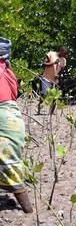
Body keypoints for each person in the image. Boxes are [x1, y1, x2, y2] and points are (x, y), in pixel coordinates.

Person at [0, 36, 33, 213]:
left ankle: (28, 211)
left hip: (4, 119)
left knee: (8, 163)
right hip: (12, 118)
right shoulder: (7, 70)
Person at [37, 46, 68, 115]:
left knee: (55, 96)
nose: (65, 55)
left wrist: (58, 75)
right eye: (64, 54)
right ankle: (39, 107)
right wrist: (53, 63)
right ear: (60, 51)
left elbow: (61, 71)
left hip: (55, 80)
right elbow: (44, 64)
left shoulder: (63, 60)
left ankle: (51, 113)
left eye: (66, 54)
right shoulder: (51, 54)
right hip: (46, 78)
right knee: (44, 95)